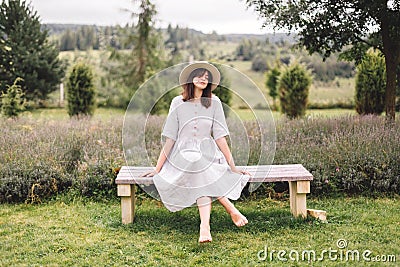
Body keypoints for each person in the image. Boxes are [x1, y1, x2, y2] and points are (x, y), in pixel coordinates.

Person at [141, 61, 251, 243]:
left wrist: (233, 166)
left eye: (207, 77)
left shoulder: (214, 102)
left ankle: (205, 227)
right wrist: (158, 168)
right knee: (195, 162)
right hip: (181, 156)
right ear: (190, 79)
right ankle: (230, 210)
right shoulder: (177, 102)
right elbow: (170, 139)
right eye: (200, 75)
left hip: (209, 155)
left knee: (199, 165)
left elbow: (220, 137)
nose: (203, 79)